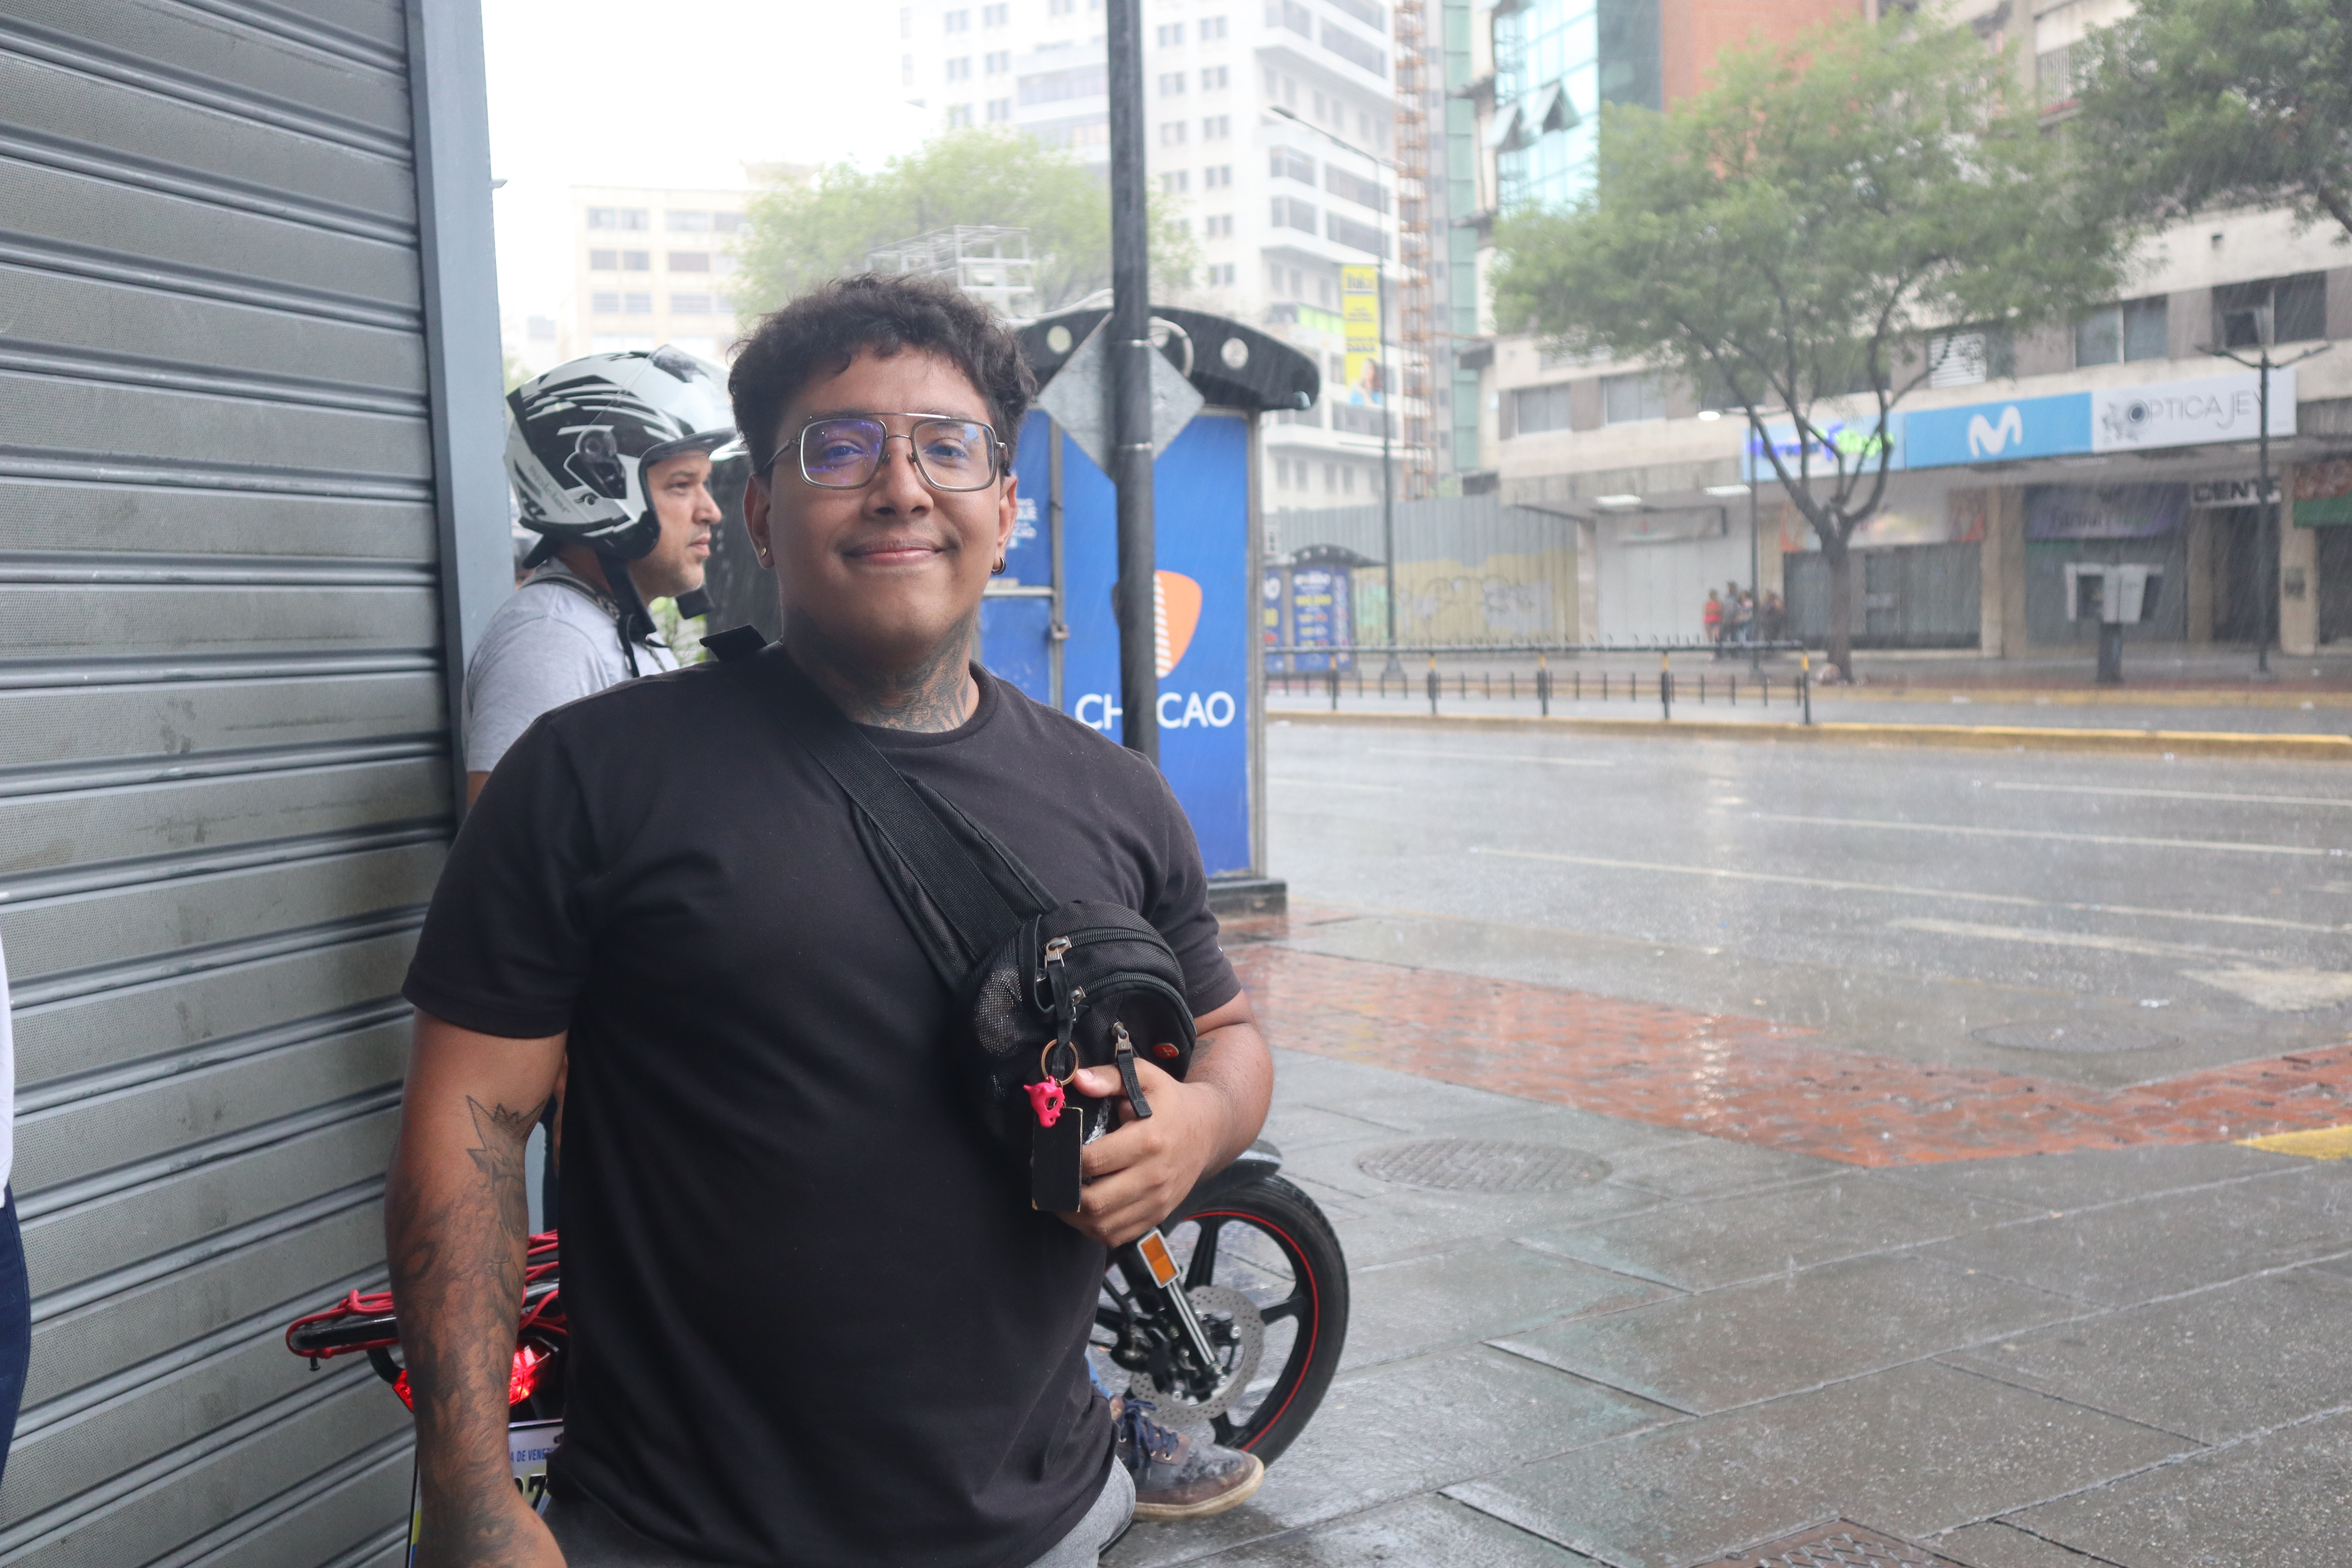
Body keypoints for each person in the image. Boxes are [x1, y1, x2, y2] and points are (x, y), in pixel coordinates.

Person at [388, 272, 1276, 1568]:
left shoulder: (1115, 796)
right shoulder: (587, 778)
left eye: (949, 447)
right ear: (762, 506)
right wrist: (470, 1497)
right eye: (840, 446)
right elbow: (467, 1135)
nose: (901, 486)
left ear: (1007, 507)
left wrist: (1199, 1122)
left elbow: (1232, 1032)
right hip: (676, 1533)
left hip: (1050, 1522)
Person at [465, 346, 735, 805]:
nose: (711, 510)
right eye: (682, 485)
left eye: (705, 484)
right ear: (600, 494)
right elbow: (504, 852)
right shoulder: (552, 640)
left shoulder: (608, 624)